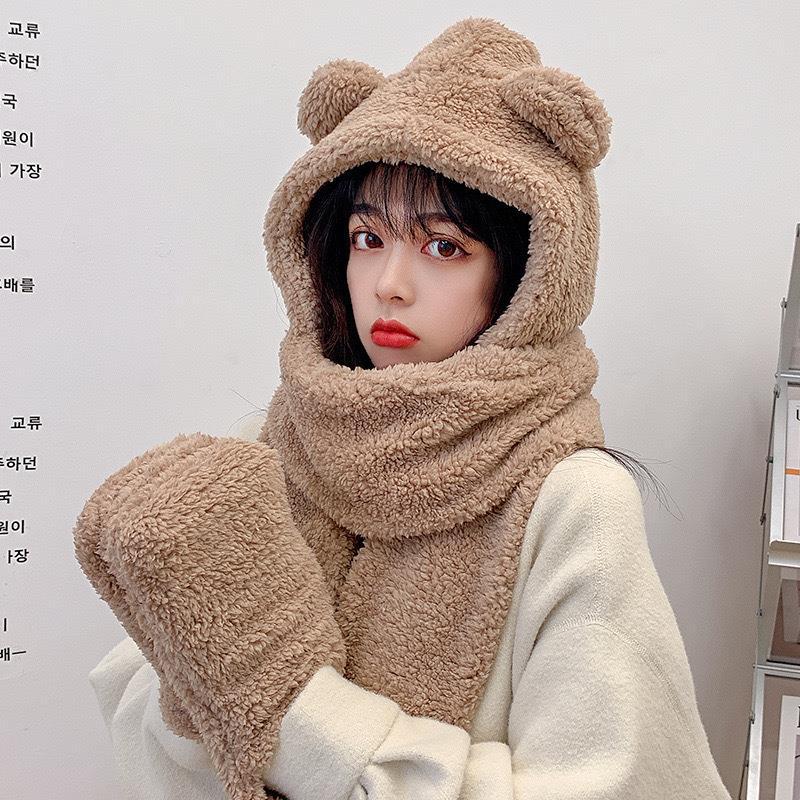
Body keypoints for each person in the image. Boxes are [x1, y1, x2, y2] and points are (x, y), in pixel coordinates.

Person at [74, 16, 733, 800]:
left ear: (527, 273)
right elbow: (136, 722)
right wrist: (209, 683)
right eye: (366, 237)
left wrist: (289, 709)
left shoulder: (571, 500)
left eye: (443, 246)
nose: (389, 283)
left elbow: (611, 785)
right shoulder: (264, 453)